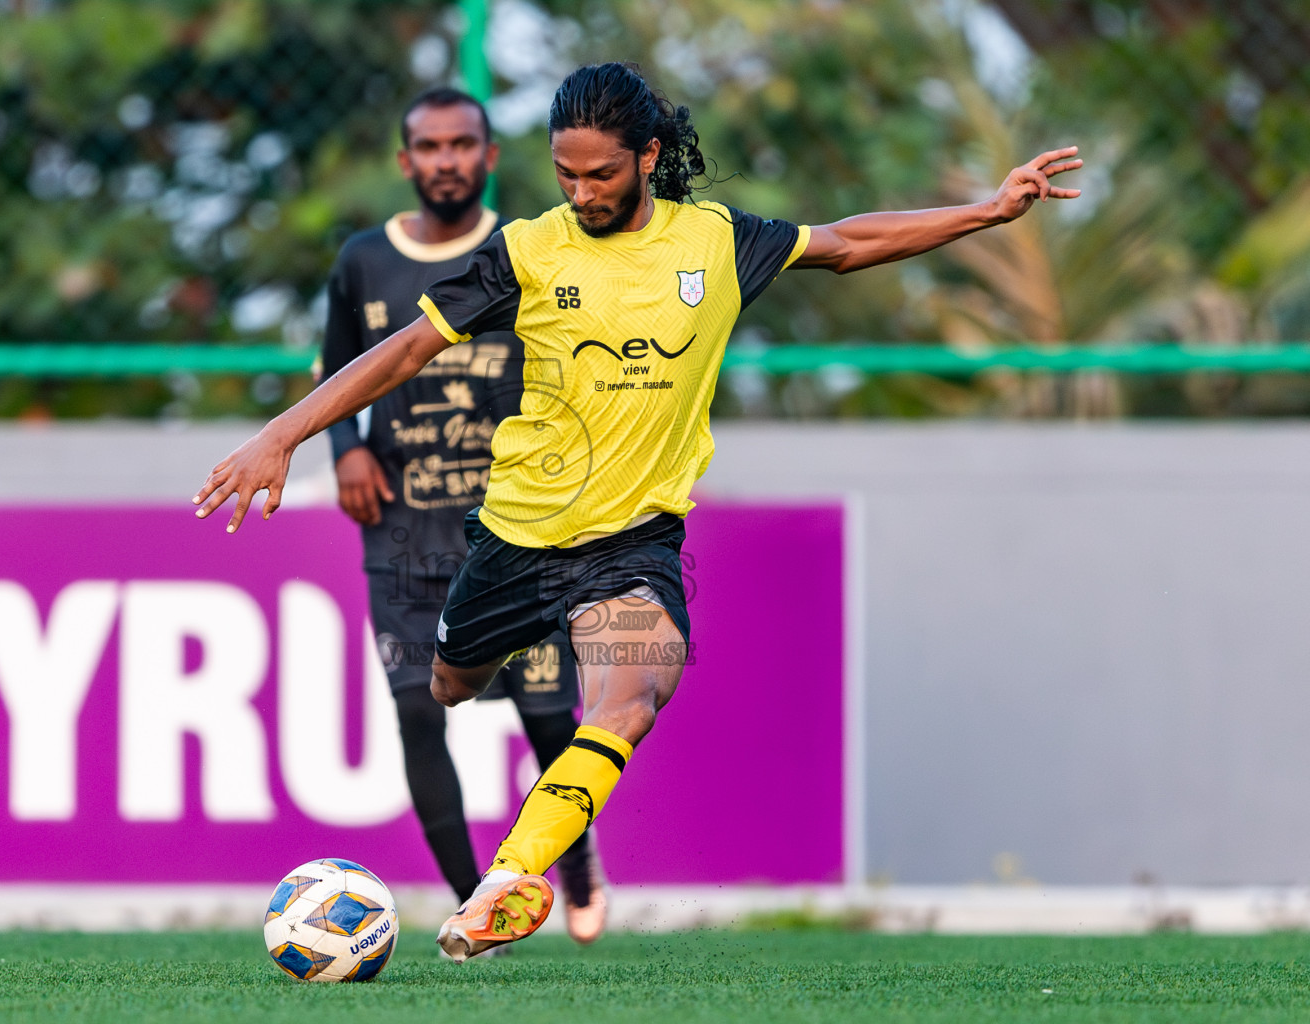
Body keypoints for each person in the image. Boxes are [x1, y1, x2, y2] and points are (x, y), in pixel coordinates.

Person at [194, 61, 1081, 961]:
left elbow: (847, 242)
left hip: (633, 542)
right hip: (517, 536)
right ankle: (508, 667)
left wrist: (987, 208)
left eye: (601, 175)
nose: (580, 193)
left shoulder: (716, 243)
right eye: (565, 174)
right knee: (450, 685)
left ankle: (510, 877)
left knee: (632, 695)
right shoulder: (531, 251)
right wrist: (285, 434)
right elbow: (408, 349)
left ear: (649, 155)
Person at [318, 86, 608, 943]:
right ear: (406, 162)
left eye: (463, 144)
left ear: (488, 156)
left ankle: (580, 868)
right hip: (405, 532)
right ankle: (479, 898)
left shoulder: (533, 251)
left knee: (552, 719)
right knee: (416, 709)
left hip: (518, 532)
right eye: (430, 146)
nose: (447, 159)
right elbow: (337, 365)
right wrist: (347, 451)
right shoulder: (362, 262)